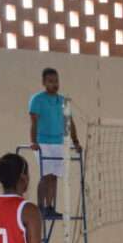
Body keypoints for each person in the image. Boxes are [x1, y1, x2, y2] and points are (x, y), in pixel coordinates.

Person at [29, 68, 81, 219]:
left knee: (54, 176)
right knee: (46, 174)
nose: (55, 84)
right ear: (44, 83)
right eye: (51, 81)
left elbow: (69, 122)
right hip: (43, 142)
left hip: (59, 143)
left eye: (56, 81)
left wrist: (75, 142)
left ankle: (49, 207)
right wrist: (33, 141)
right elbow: (34, 122)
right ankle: (39, 207)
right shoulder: (37, 99)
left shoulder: (63, 101)